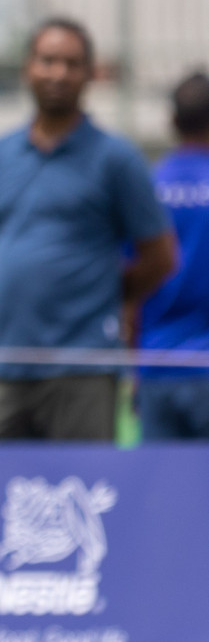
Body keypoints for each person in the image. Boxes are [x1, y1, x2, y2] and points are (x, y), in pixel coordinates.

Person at [0, 17, 176, 442]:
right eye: (48, 61)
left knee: (83, 494)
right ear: (28, 67)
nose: (58, 73)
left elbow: (160, 256)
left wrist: (110, 293)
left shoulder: (116, 158)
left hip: (82, 366)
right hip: (6, 361)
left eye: (71, 63)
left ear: (90, 73)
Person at [134, 71, 209, 440]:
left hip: (156, 364)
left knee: (162, 494)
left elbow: (128, 283)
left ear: (172, 121)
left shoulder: (149, 187)